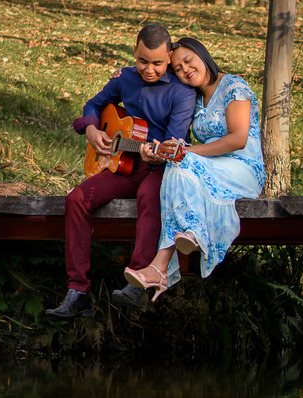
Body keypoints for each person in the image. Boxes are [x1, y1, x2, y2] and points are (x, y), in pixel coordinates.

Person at [45, 24, 197, 320]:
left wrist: (155, 154)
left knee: (149, 195)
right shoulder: (126, 78)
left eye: (156, 63)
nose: (149, 69)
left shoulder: (182, 93)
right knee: (76, 199)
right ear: (134, 53)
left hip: (160, 168)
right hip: (123, 165)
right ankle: (78, 292)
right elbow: (94, 104)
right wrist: (90, 128)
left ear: (169, 57)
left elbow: (173, 144)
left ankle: (138, 281)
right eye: (142, 61)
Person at [124, 37, 266, 301]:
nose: (185, 70)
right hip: (212, 167)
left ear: (202, 53)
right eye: (177, 68)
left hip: (244, 167)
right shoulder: (197, 99)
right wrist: (124, 73)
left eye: (188, 61)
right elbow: (151, 73)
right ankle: (161, 265)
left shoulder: (233, 85)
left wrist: (186, 152)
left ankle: (187, 239)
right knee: (176, 163)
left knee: (181, 159)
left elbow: (238, 139)